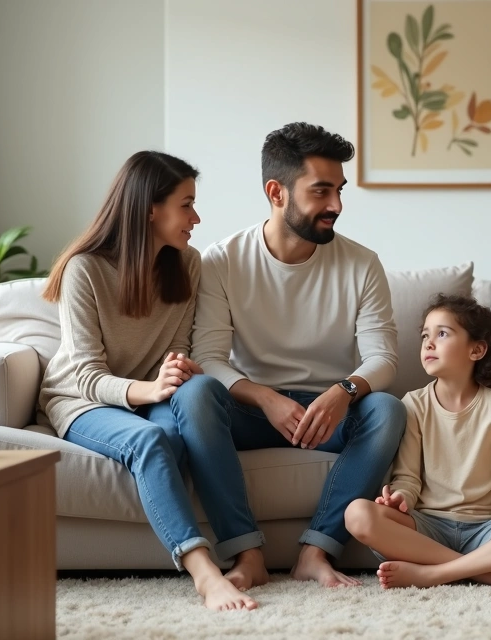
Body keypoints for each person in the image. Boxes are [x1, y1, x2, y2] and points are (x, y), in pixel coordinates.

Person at [190, 122, 407, 587]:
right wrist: (266, 398)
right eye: (321, 191)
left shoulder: (361, 263)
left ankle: (315, 552)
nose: (336, 206)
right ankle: (246, 554)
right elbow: (208, 358)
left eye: (340, 191)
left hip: (327, 412)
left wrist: (344, 391)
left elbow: (383, 358)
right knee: (196, 395)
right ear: (277, 192)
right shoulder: (222, 260)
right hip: (249, 410)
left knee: (387, 410)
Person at [39, 151, 258, 611]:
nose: (196, 218)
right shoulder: (86, 269)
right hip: (82, 400)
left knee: (180, 431)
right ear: (149, 209)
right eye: (187, 204)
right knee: (152, 444)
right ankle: (204, 573)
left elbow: (176, 349)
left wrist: (176, 373)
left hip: (149, 394)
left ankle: (248, 550)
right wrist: (150, 391)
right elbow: (84, 373)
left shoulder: (187, 264)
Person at [344, 294, 491, 589]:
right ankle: (486, 573)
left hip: (488, 529)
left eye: (442, 333)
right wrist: (400, 499)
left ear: (477, 350)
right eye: (425, 335)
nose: (428, 343)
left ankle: (434, 574)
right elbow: (407, 479)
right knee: (357, 514)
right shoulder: (413, 404)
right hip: (426, 528)